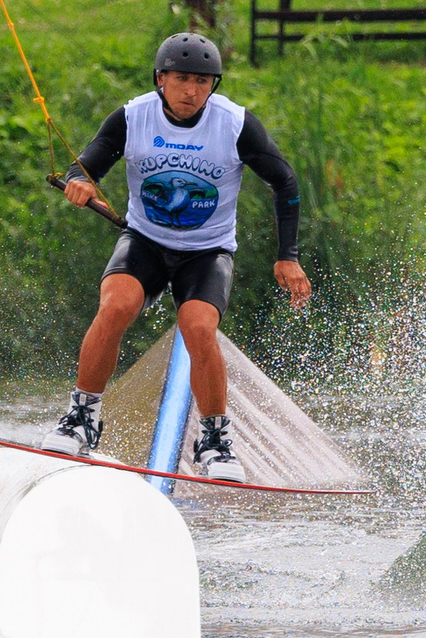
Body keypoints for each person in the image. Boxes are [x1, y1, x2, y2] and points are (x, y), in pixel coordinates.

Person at [52, 32, 310, 478]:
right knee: (116, 305)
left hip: (206, 252)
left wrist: (287, 255)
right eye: (183, 79)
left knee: (198, 327)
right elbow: (86, 164)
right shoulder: (133, 117)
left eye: (204, 82)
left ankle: (213, 442)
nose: (193, 90)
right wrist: (81, 181)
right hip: (145, 242)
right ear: (161, 79)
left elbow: (284, 181)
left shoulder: (235, 124)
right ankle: (82, 419)